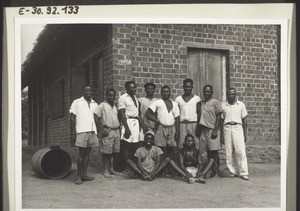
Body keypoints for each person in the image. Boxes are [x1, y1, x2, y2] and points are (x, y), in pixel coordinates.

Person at [70, 85, 99, 185]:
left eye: (90, 90)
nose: (88, 92)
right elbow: (72, 117)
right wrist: (73, 132)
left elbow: (96, 118)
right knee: (81, 153)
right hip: (81, 130)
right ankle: (78, 176)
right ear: (83, 91)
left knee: (87, 153)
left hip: (92, 131)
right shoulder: (77, 102)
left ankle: (84, 174)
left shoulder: (95, 103)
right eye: (86, 90)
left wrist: (98, 130)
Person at [220, 87, 249, 181]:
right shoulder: (223, 105)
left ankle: (243, 172)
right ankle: (233, 171)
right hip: (227, 127)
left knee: (240, 151)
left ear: (235, 95)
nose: (231, 96)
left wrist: (245, 133)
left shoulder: (241, 105)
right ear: (227, 95)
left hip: (238, 127)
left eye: (233, 94)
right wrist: (221, 134)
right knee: (228, 151)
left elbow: (244, 120)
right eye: (229, 94)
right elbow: (221, 120)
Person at [118, 81, 147, 173]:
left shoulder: (135, 98)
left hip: (136, 123)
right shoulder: (123, 98)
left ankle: (133, 166)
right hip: (128, 122)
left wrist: (143, 125)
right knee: (126, 145)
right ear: (126, 88)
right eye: (131, 87)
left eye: (135, 87)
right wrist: (127, 128)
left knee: (135, 145)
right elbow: (122, 114)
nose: (134, 89)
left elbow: (137, 114)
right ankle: (125, 166)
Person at [145, 85, 180, 155]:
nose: (165, 93)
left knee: (170, 148)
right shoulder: (157, 102)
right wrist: (157, 121)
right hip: (161, 127)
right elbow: (148, 113)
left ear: (170, 93)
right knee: (160, 148)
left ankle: (169, 163)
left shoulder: (174, 104)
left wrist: (177, 131)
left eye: (167, 92)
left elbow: (177, 118)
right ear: (161, 93)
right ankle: (160, 164)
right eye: (163, 92)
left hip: (171, 128)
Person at [196, 85, 222, 177]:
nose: (206, 93)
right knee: (203, 152)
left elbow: (219, 117)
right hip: (203, 129)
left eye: (208, 91)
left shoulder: (215, 102)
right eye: (205, 92)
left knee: (213, 152)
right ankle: (208, 170)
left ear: (212, 92)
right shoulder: (201, 103)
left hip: (212, 130)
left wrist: (215, 130)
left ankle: (217, 171)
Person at [94, 88, 120, 178]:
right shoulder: (102, 105)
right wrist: (101, 129)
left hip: (116, 130)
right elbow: (96, 117)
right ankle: (105, 170)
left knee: (113, 152)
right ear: (106, 96)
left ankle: (111, 169)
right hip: (107, 131)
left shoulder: (115, 106)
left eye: (113, 95)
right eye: (110, 95)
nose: (112, 97)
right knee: (106, 152)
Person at [175, 79, 201, 149]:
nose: (187, 88)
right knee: (181, 144)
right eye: (186, 87)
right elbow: (177, 115)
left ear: (192, 87)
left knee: (196, 144)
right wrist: (177, 130)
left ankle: (196, 159)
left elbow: (199, 113)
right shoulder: (178, 99)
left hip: (193, 124)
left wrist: (198, 126)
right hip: (182, 124)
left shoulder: (197, 98)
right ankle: (182, 159)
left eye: (189, 87)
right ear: (183, 87)